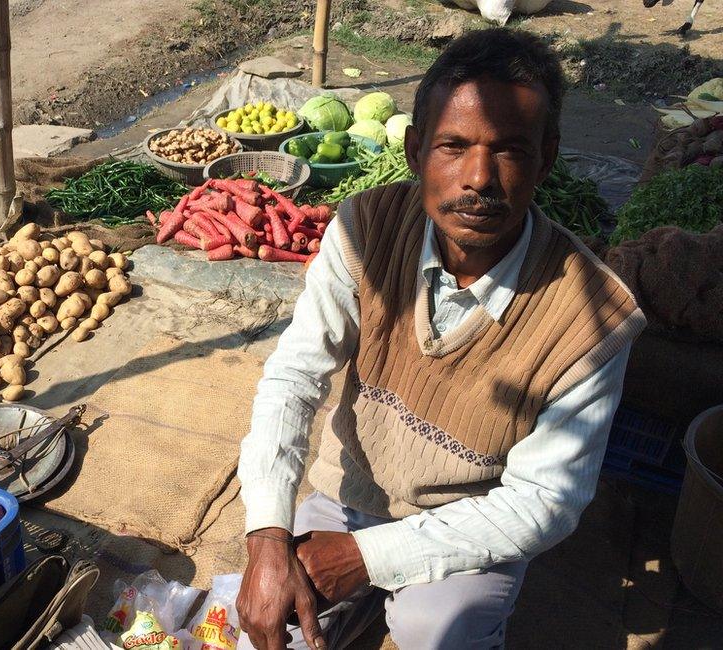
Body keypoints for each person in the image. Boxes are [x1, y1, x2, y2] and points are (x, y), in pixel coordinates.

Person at [235, 27, 646, 650]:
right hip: (353, 488)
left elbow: (544, 503)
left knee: (441, 631)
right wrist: (268, 534)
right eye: (453, 146)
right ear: (413, 151)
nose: (479, 178)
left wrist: (366, 558)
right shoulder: (364, 231)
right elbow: (294, 376)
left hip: (469, 520)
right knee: (270, 622)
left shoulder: (592, 315)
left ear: (548, 157)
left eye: (509, 150)